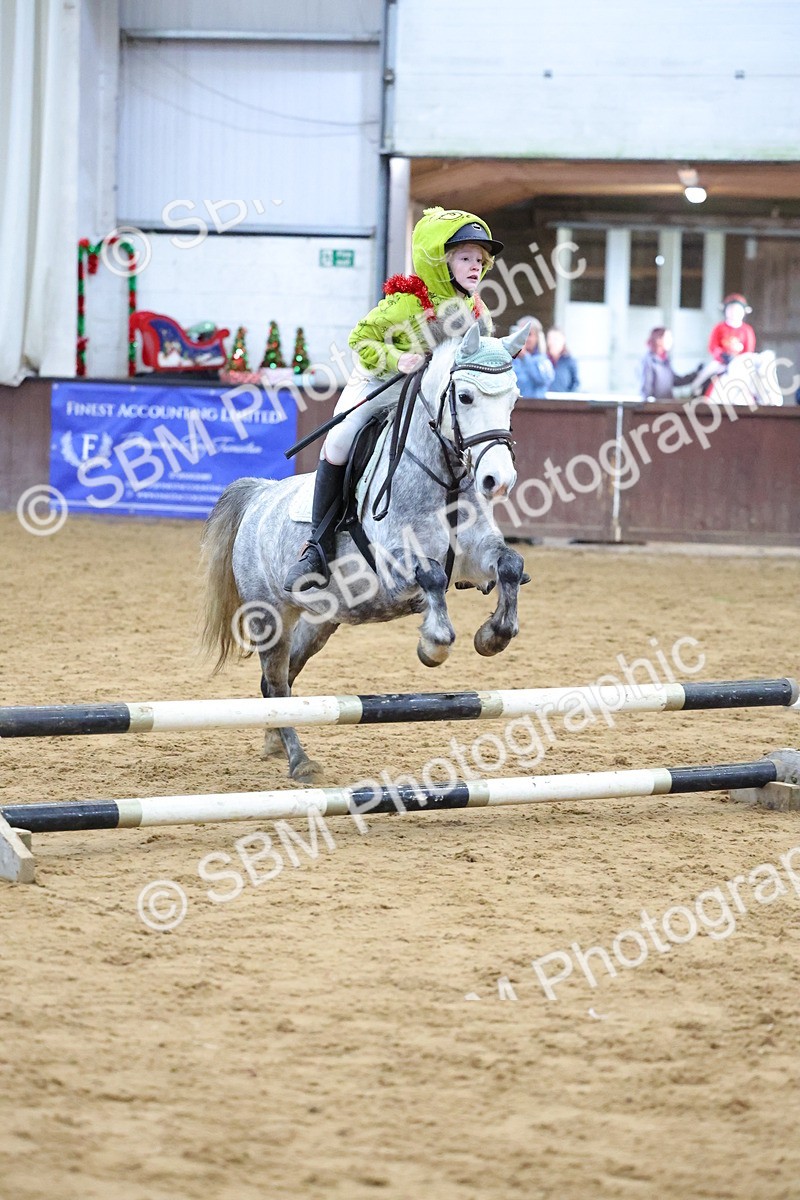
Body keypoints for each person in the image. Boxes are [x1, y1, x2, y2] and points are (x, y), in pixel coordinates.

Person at [284, 207, 503, 592]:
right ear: (442, 259)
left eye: (479, 260)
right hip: (381, 384)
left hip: (429, 400)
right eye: (465, 258)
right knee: (339, 442)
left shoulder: (476, 312)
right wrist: (395, 359)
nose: (475, 266)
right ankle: (318, 546)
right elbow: (360, 340)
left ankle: (468, 550)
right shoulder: (406, 302)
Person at [639, 328, 699, 400]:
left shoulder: (665, 361)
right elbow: (646, 390)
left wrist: (695, 374)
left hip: (666, 405)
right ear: (659, 340)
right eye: (668, 338)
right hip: (654, 407)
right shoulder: (649, 361)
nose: (671, 341)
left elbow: (675, 380)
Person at [509, 316, 554, 398]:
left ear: (537, 337)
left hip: (535, 407)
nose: (525, 338)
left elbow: (544, 380)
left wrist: (525, 357)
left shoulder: (542, 360)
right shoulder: (511, 360)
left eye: (529, 335)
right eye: (521, 334)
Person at [708, 293, 756, 364]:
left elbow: (749, 349)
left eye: (737, 310)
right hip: (720, 362)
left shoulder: (747, 330)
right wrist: (721, 355)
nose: (733, 312)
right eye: (730, 309)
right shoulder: (719, 327)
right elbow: (712, 346)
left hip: (740, 364)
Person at [545, 327, 580, 392]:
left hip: (564, 399)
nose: (552, 342)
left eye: (556, 339)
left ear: (563, 340)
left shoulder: (570, 360)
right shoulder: (542, 359)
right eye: (550, 338)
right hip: (544, 399)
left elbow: (575, 383)